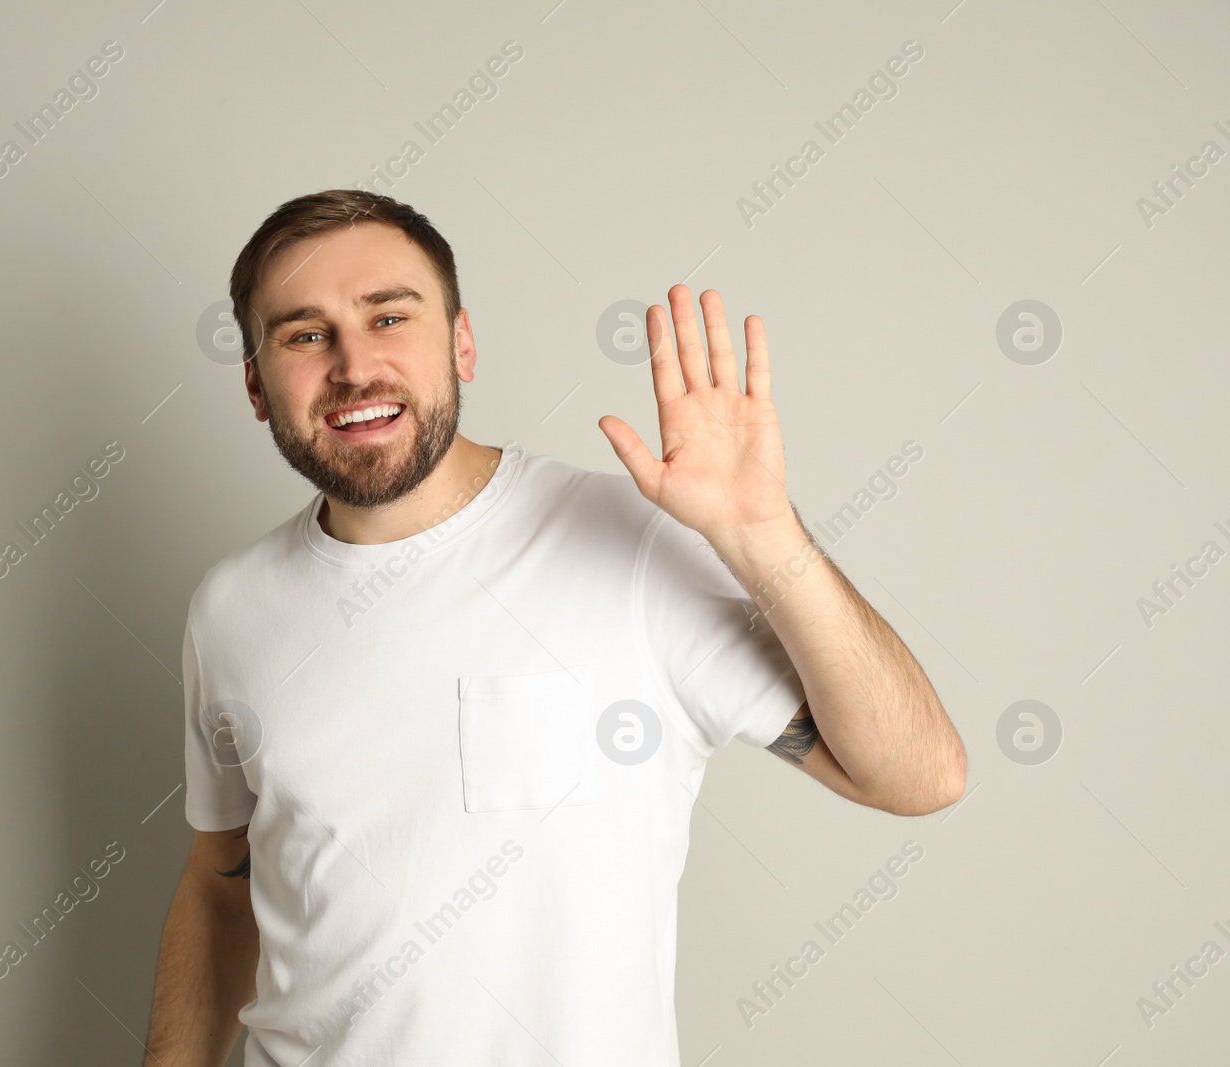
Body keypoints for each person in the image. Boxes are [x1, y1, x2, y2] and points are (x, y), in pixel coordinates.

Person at [143, 189, 966, 1066]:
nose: (353, 365)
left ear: (461, 343)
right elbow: (221, 887)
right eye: (305, 335)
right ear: (256, 385)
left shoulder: (629, 546)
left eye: (390, 316)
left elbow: (920, 776)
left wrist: (765, 536)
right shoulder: (230, 608)